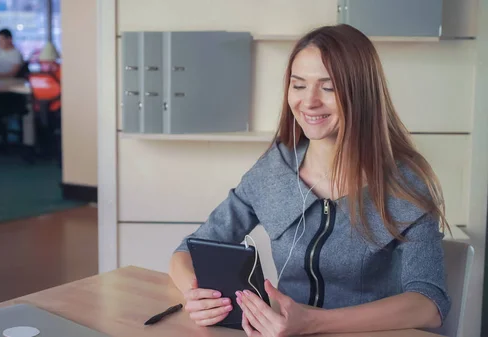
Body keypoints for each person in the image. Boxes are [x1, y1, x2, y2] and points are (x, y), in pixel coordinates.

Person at [168, 24, 451, 336]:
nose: (309, 102)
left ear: (363, 94)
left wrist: (313, 322)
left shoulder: (405, 183)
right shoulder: (275, 169)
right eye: (298, 85)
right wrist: (195, 295)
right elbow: (187, 252)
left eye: (328, 88)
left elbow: (429, 304)